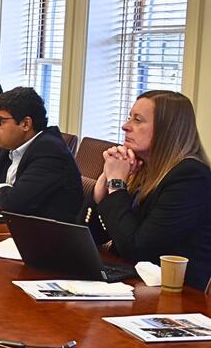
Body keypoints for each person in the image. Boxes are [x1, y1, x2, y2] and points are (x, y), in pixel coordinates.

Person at [83, 90, 211, 290]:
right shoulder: (142, 169)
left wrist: (116, 184)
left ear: (167, 130)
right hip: (132, 283)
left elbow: (138, 249)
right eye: (129, 117)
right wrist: (101, 190)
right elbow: (89, 239)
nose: (125, 126)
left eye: (138, 120)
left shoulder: (190, 177)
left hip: (177, 296)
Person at [0, 87, 82, 222]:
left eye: (0, 121)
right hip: (14, 227)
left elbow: (12, 203)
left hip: (47, 236)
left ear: (25, 124)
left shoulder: (50, 152)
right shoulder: (12, 144)